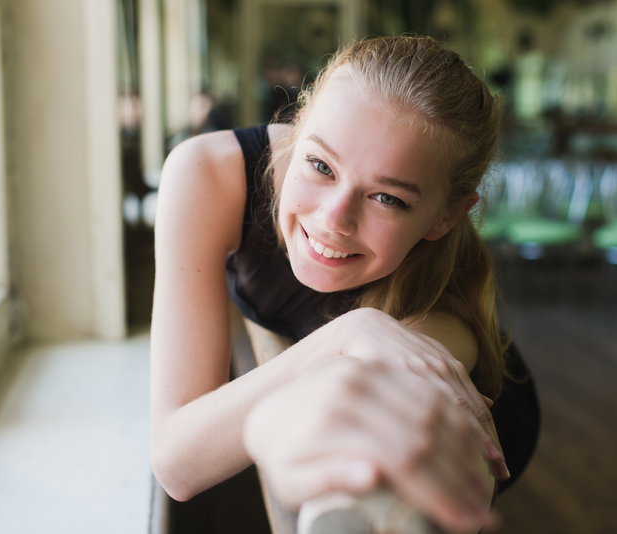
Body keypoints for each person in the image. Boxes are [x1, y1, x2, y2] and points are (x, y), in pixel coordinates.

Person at [150, 36, 540, 534]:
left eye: (387, 198)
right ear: (298, 127)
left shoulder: (438, 314)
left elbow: (184, 464)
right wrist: (343, 335)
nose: (334, 219)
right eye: (319, 165)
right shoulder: (210, 173)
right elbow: (176, 462)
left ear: (446, 216)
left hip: (485, 416)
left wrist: (357, 334)